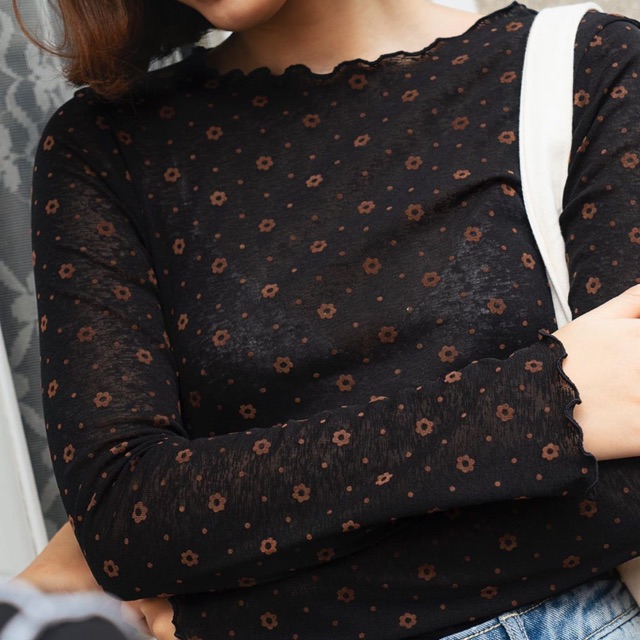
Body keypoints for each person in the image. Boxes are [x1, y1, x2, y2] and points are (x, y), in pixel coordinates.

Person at [12, 0, 640, 638]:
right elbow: (130, 524)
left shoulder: (588, 66)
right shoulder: (105, 144)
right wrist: (534, 405)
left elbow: (630, 494)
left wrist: (224, 619)